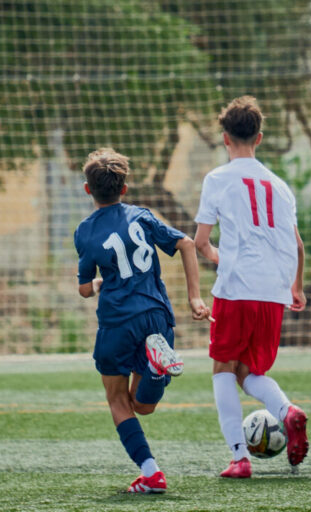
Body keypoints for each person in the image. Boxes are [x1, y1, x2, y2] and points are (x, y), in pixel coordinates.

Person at [73, 148, 210, 493]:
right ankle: (154, 367)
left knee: (118, 401)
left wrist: (101, 282)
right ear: (125, 189)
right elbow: (187, 243)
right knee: (142, 406)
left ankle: (151, 472)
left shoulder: (86, 232)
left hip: (118, 320)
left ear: (88, 190)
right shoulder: (142, 216)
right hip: (157, 315)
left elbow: (86, 290)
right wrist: (195, 297)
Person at [193, 96, 309, 478]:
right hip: (274, 290)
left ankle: (240, 458)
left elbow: (201, 243)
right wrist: (296, 288)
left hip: (236, 290)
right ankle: (287, 412)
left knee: (223, 369)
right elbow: (298, 245)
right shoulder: (280, 186)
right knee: (249, 372)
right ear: (258, 138)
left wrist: (224, 259)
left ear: (225, 138)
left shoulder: (217, 179)